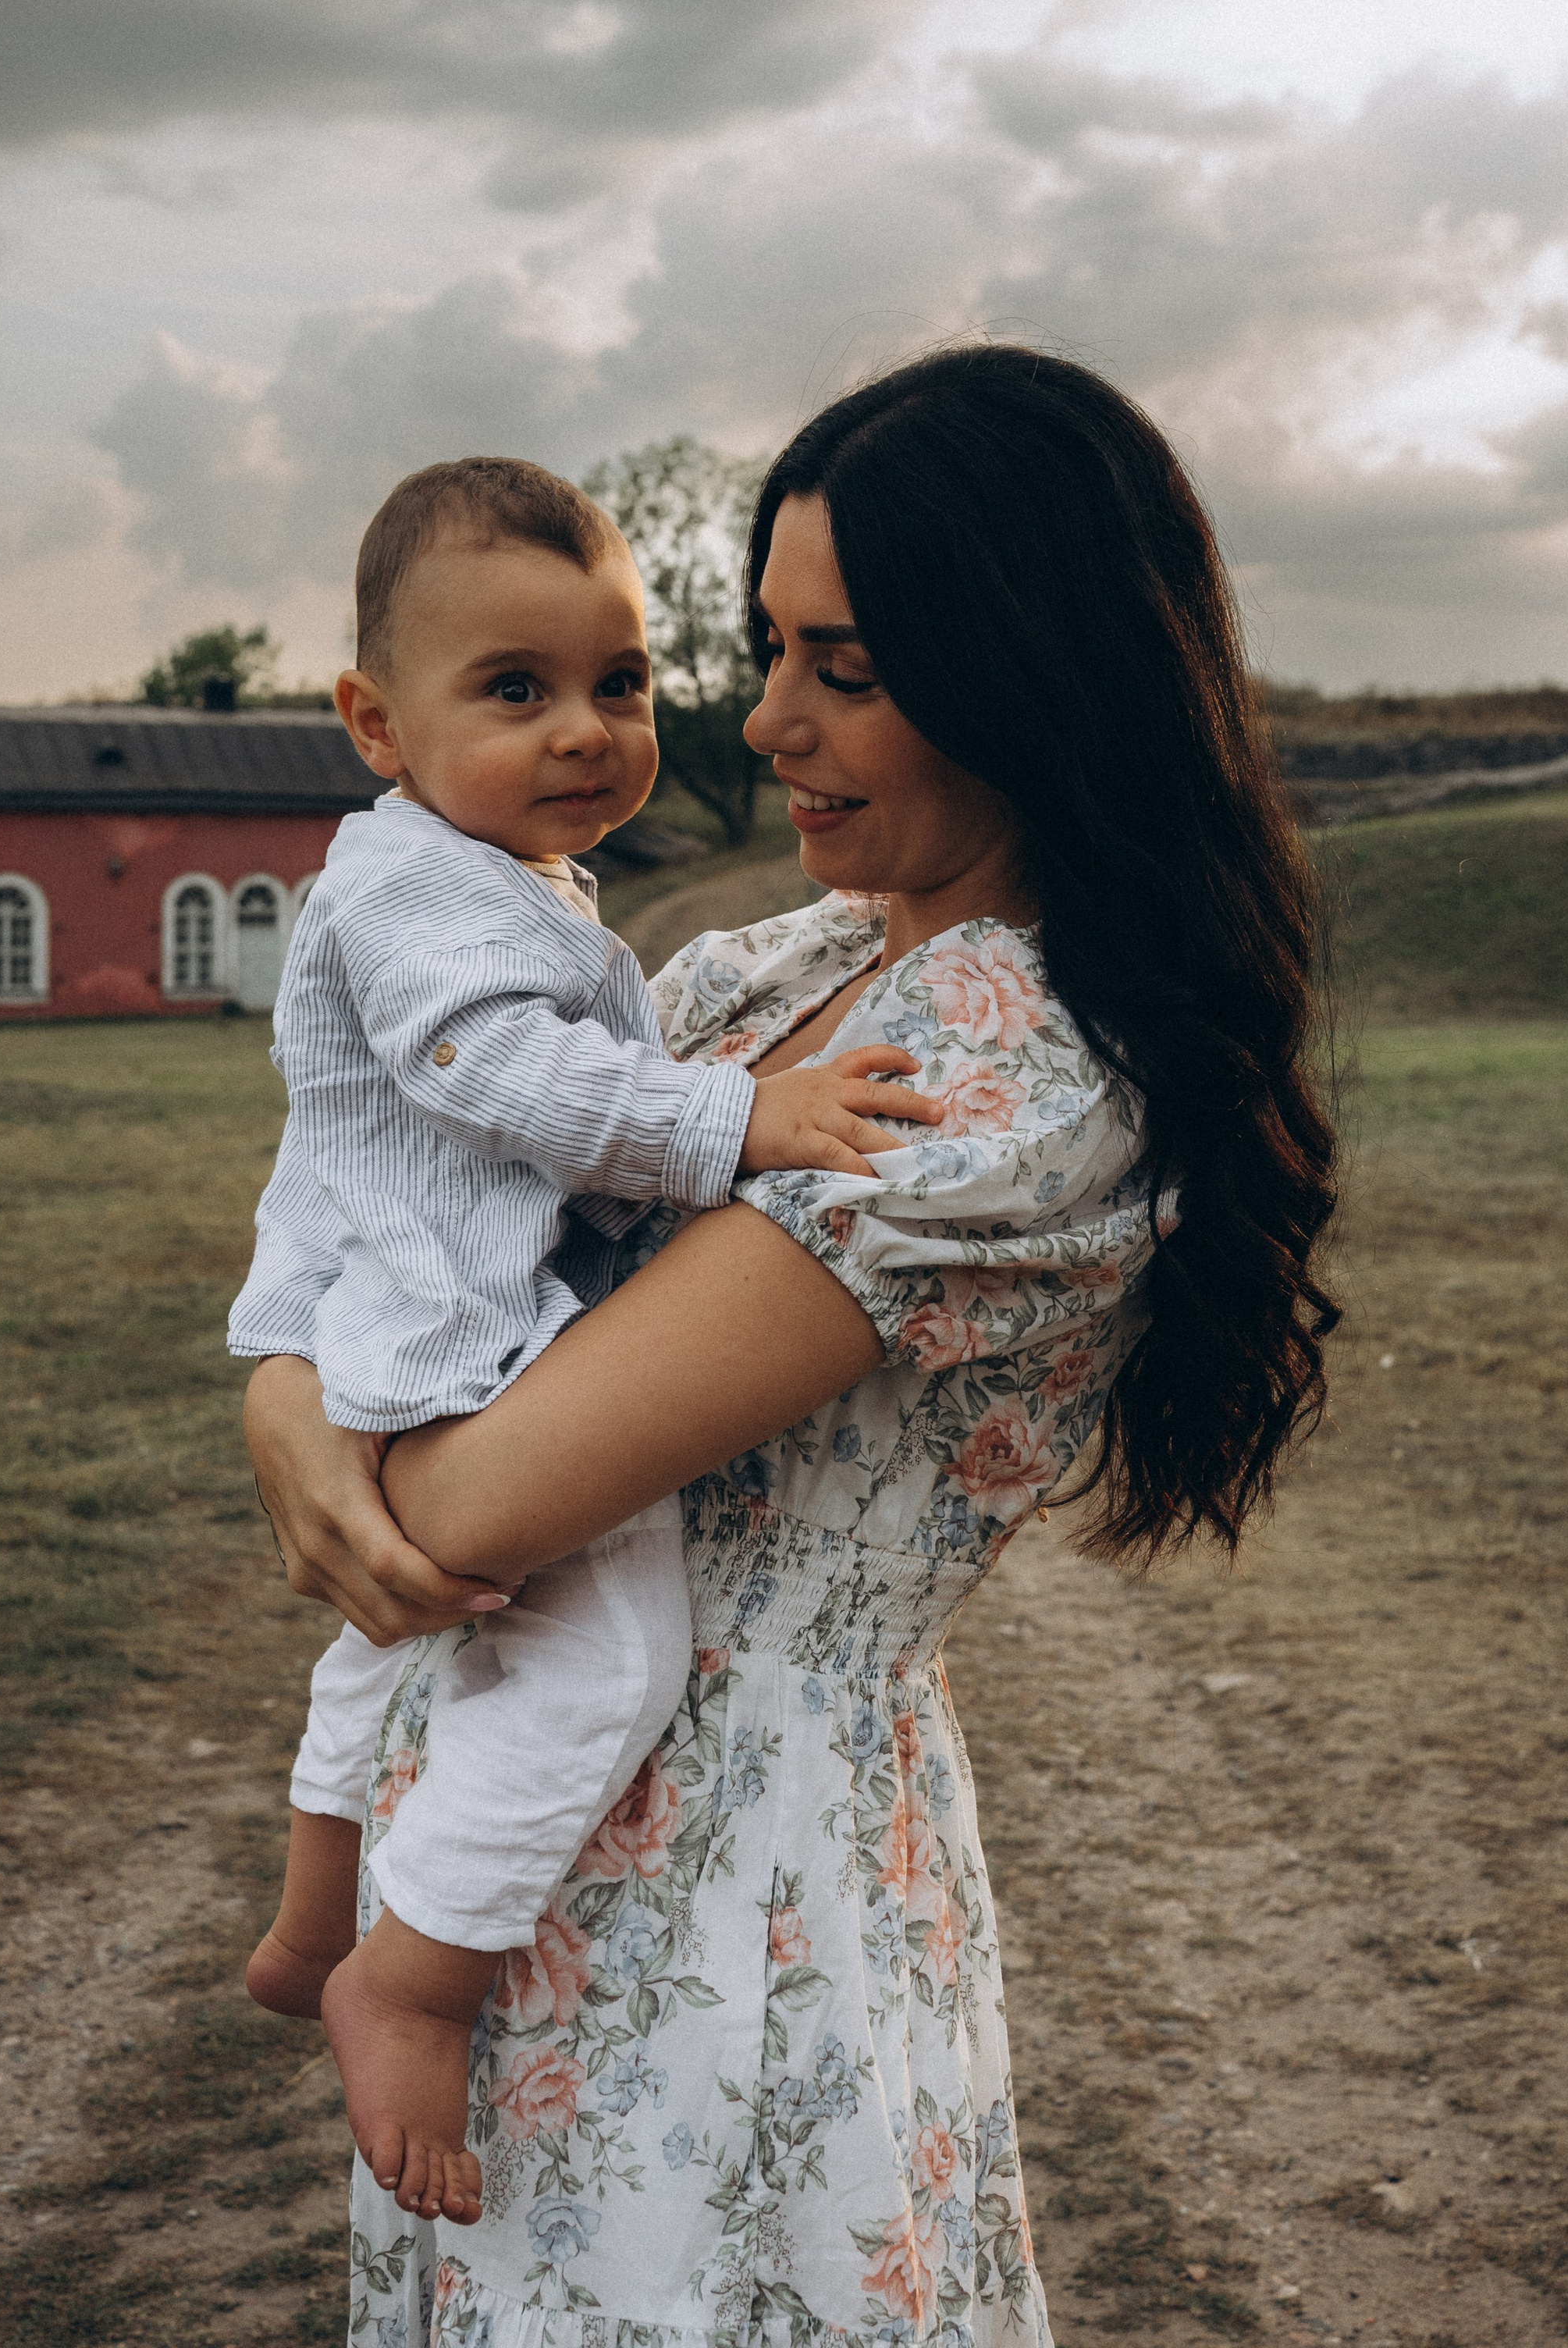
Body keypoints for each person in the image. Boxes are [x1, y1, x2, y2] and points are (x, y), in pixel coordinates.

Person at [247, 344, 1339, 2348]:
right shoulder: (801, 959)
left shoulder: (1000, 1067)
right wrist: (279, 1390)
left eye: (841, 667)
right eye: (762, 651)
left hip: (727, 1896)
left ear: (1030, 673)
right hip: (513, 1866)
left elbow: (476, 1488)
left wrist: (309, 1423)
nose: (763, 725)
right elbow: (420, 1184)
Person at [233, 454, 942, 2225]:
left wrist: (290, 1377)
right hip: (458, 1342)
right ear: (371, 724)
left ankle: (321, 1900)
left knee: (383, 1639)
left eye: (617, 684)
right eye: (515, 690)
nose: (588, 732)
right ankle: (403, 1974)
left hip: (434, 1334)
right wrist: (740, 1120)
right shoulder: (429, 896)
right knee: (596, 1655)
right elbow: (513, 1076)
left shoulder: (494, 877)